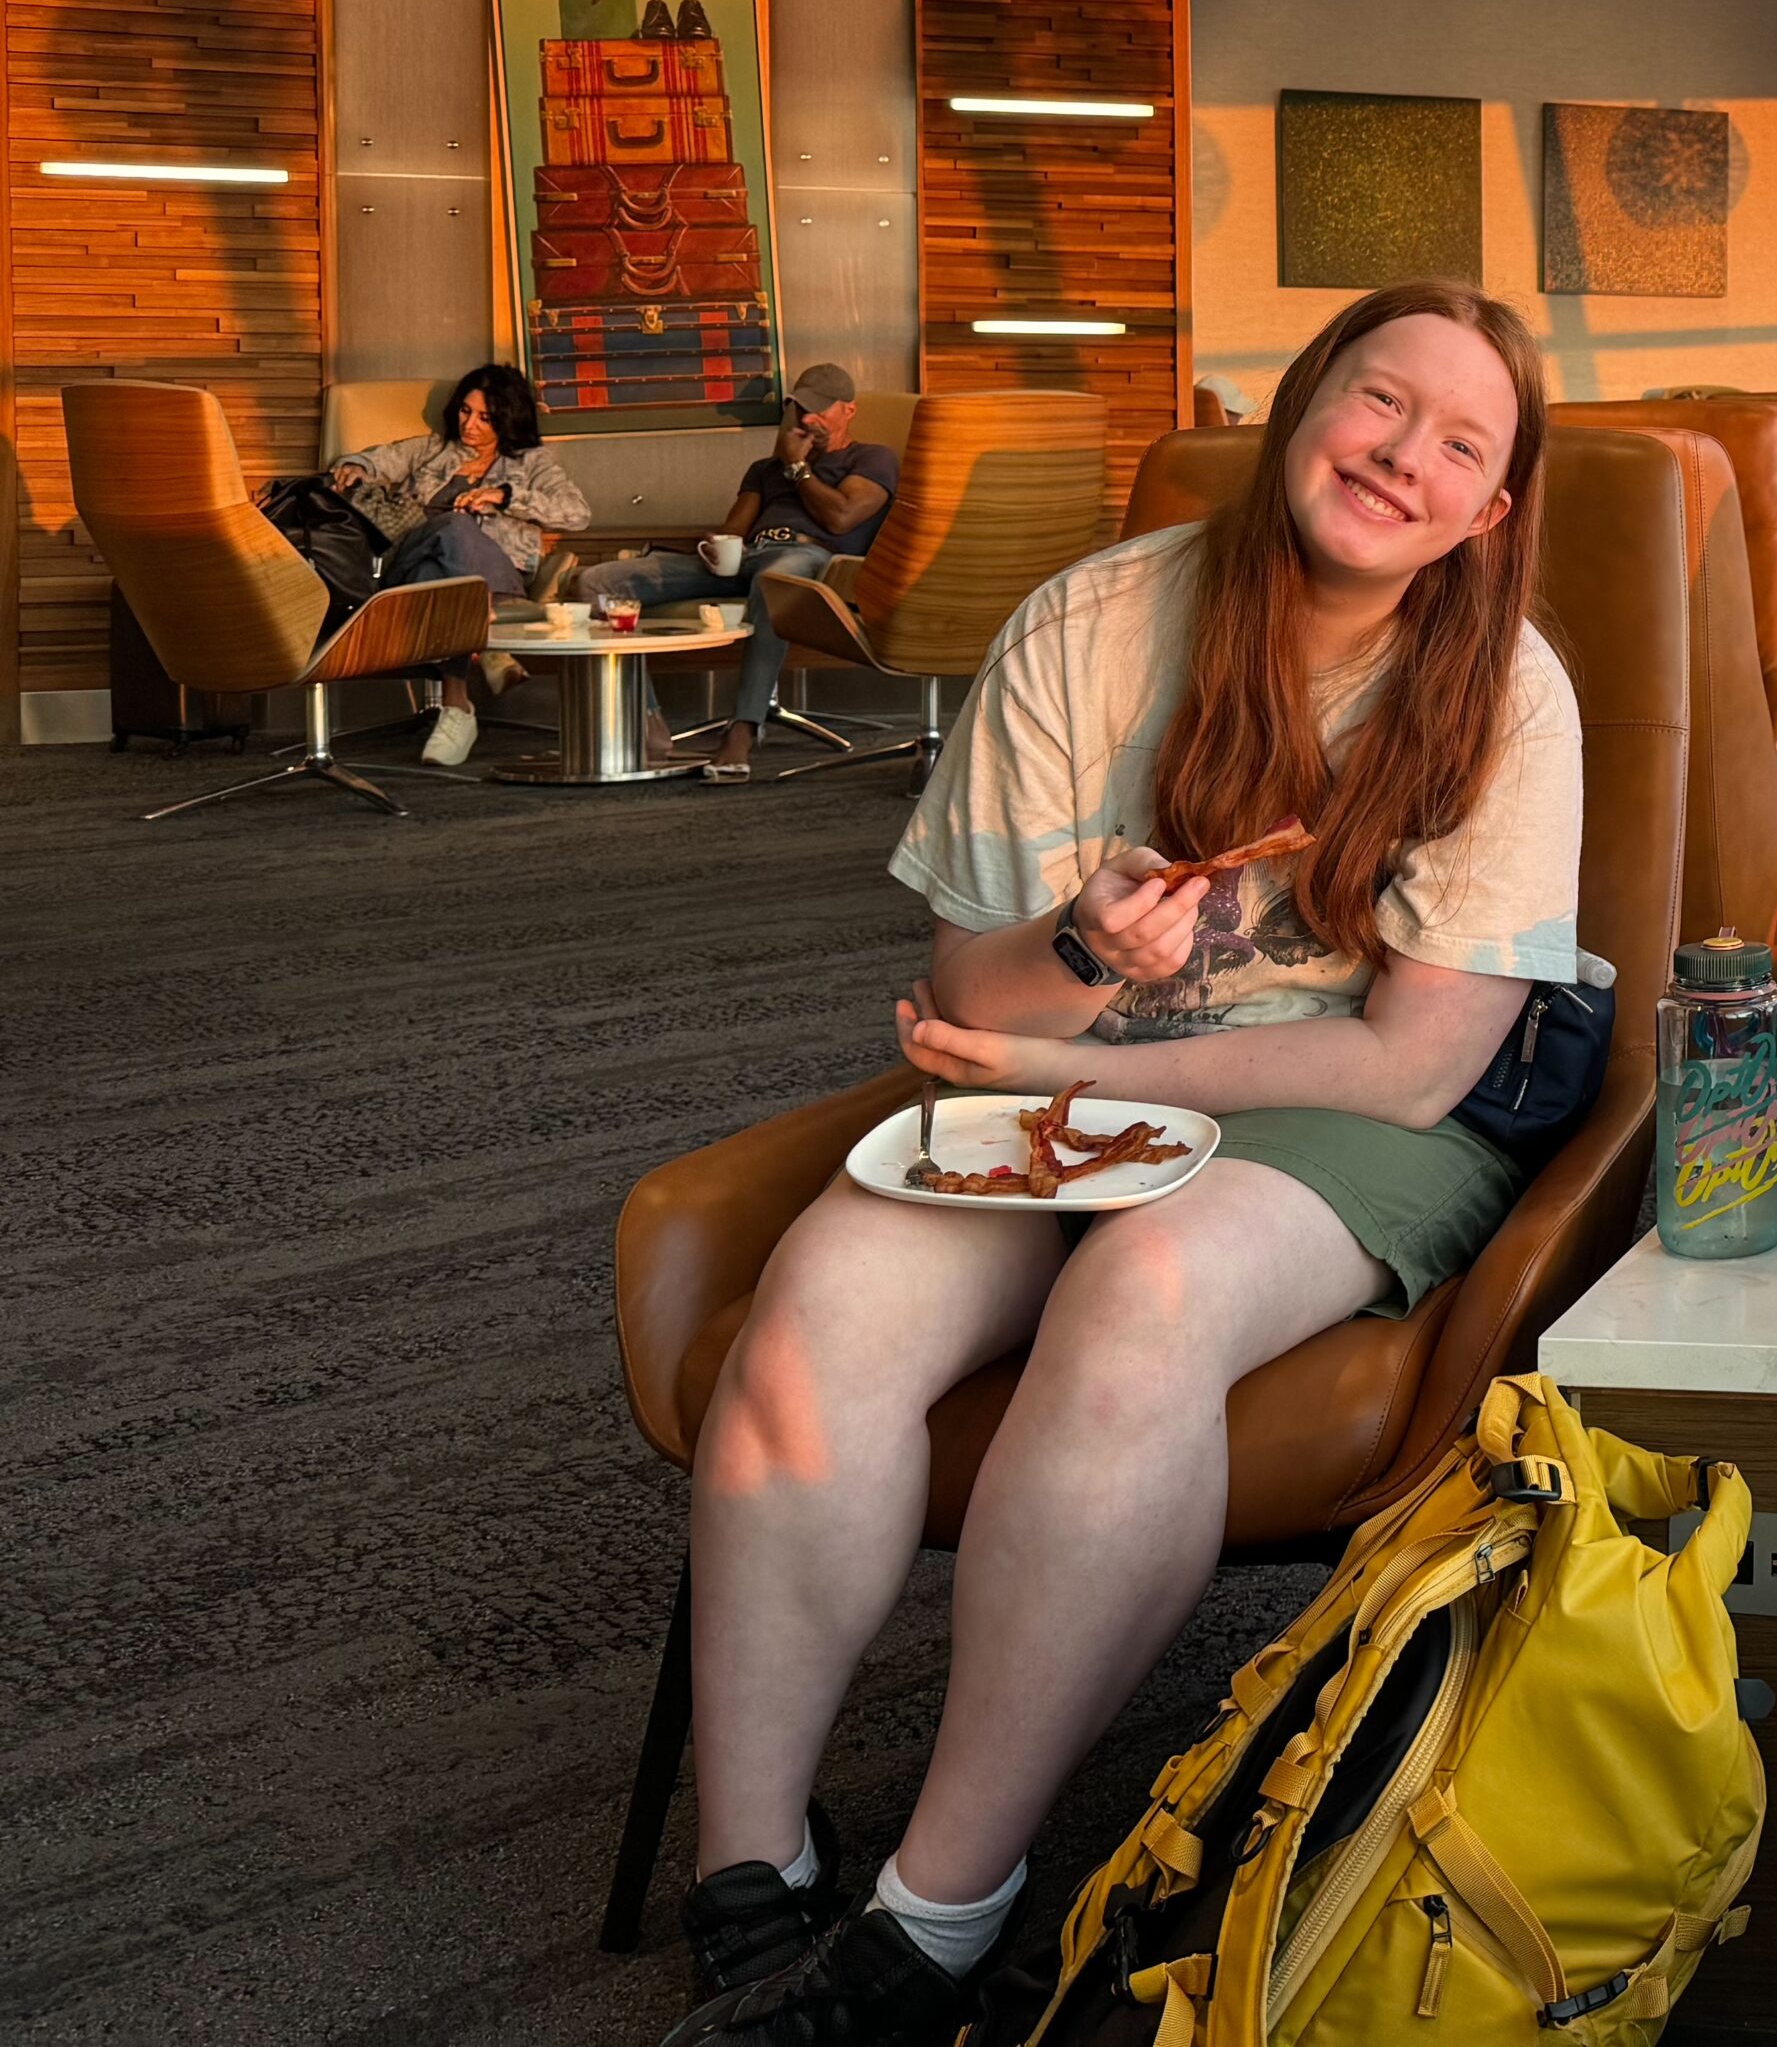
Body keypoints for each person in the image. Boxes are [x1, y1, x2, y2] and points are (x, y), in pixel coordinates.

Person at [661, 283, 1584, 2046]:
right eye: (1378, 401)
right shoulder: (1092, 621)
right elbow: (969, 984)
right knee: (826, 1290)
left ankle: (943, 1908)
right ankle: (752, 1881)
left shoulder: (1505, 695)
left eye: (1460, 443)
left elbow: (1409, 1060)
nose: (1402, 455)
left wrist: (1029, 1060)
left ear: (1490, 509)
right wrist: (1077, 970)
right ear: (1302, 401)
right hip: (1082, 1062)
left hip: (1353, 1112)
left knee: (1144, 1288)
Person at [576, 362, 897, 783]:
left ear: (849, 411)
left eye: (820, 410)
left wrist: (797, 469)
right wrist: (716, 547)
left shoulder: (871, 458)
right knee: (597, 582)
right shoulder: (765, 469)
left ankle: (742, 729)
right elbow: (735, 531)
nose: (806, 419)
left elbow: (841, 518)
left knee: (774, 582)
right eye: (800, 409)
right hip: (749, 556)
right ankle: (647, 720)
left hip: (813, 560)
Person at [329, 364, 590, 767]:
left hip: (485, 577)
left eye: (485, 418)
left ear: (507, 418)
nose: (469, 425)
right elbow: (375, 459)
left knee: (443, 573)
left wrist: (506, 496)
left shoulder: (531, 463)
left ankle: (457, 707)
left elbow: (577, 513)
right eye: (465, 412)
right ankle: (489, 644)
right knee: (451, 526)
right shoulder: (433, 448)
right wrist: (357, 466)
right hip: (409, 569)